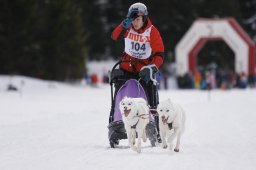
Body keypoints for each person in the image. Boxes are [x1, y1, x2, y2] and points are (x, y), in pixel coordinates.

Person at [111, 2, 164, 143]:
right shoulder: (127, 28)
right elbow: (114, 36)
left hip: (144, 71)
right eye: (133, 19)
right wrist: (123, 25)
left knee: (151, 96)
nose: (135, 22)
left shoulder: (152, 31)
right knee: (119, 95)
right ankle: (116, 121)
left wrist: (153, 67)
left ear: (144, 18)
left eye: (138, 19)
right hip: (126, 69)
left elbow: (159, 54)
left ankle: (154, 126)